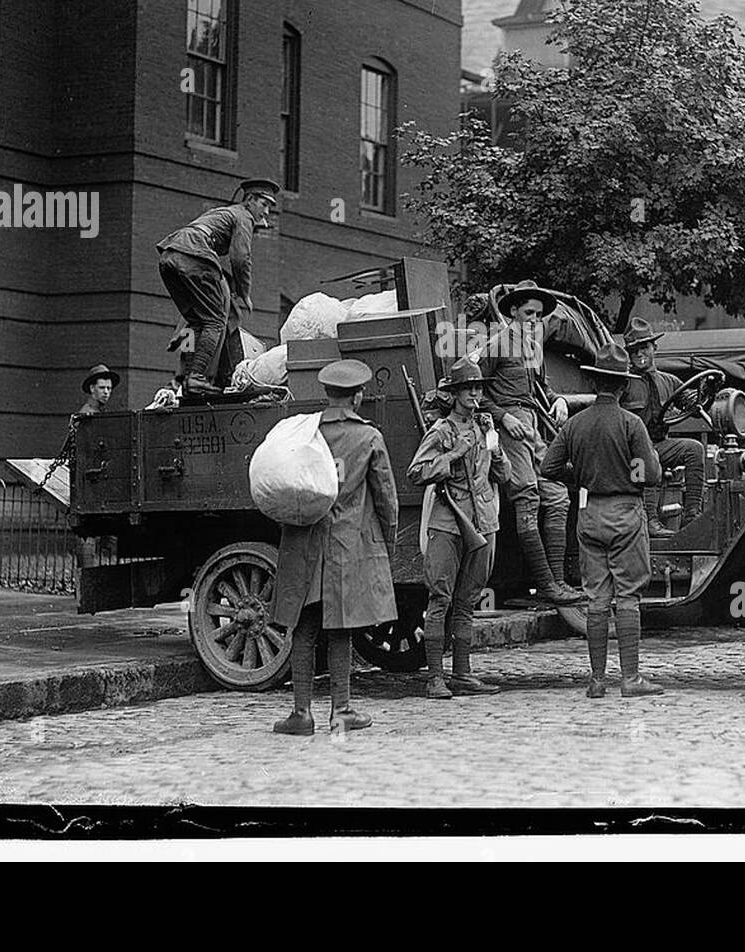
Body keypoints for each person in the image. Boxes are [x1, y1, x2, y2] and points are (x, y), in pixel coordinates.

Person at [270, 359, 399, 735]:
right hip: (346, 545)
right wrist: (385, 544)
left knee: (304, 628)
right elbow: (386, 498)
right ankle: (340, 710)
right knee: (341, 628)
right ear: (358, 396)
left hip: (304, 540)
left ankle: (301, 714)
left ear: (327, 394)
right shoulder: (368, 437)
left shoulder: (305, 431)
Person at [541, 341, 665, 699]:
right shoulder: (631, 424)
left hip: (589, 514)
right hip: (625, 514)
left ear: (595, 384)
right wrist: (636, 468)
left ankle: (596, 681)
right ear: (624, 386)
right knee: (627, 597)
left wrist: (579, 475)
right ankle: (631, 679)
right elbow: (651, 475)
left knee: (596, 599)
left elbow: (548, 468)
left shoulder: (576, 425)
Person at [407, 356, 511, 699]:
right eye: (467, 388)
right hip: (448, 522)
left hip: (482, 522)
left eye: (478, 388)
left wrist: (495, 450)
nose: (474, 394)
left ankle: (463, 673)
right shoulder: (442, 431)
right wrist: (453, 455)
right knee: (440, 598)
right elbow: (416, 473)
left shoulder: (484, 427)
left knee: (467, 601)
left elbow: (503, 477)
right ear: (453, 394)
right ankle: (435, 677)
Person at [477, 280, 585, 605]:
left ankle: (558, 583)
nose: (534, 320)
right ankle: (546, 586)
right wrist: (502, 417)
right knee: (527, 497)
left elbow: (541, 389)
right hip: (509, 428)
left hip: (534, 424)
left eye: (538, 316)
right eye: (528, 313)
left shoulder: (532, 348)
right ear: (512, 312)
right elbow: (472, 391)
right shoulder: (496, 345)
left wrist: (560, 401)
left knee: (557, 496)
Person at [156, 177, 280, 396]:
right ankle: (196, 378)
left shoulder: (223, 213)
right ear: (250, 199)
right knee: (215, 321)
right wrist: (244, 293)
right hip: (192, 255)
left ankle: (189, 378)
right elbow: (241, 258)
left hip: (169, 256)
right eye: (264, 204)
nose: (267, 211)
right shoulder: (244, 216)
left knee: (198, 320)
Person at [621, 317, 707, 537]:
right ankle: (650, 520)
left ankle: (692, 514)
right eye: (634, 351)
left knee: (695, 449)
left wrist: (702, 397)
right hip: (630, 454)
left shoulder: (669, 382)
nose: (640, 354)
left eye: (644, 348)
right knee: (647, 456)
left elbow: (690, 401)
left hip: (660, 445)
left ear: (654, 348)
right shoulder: (623, 383)